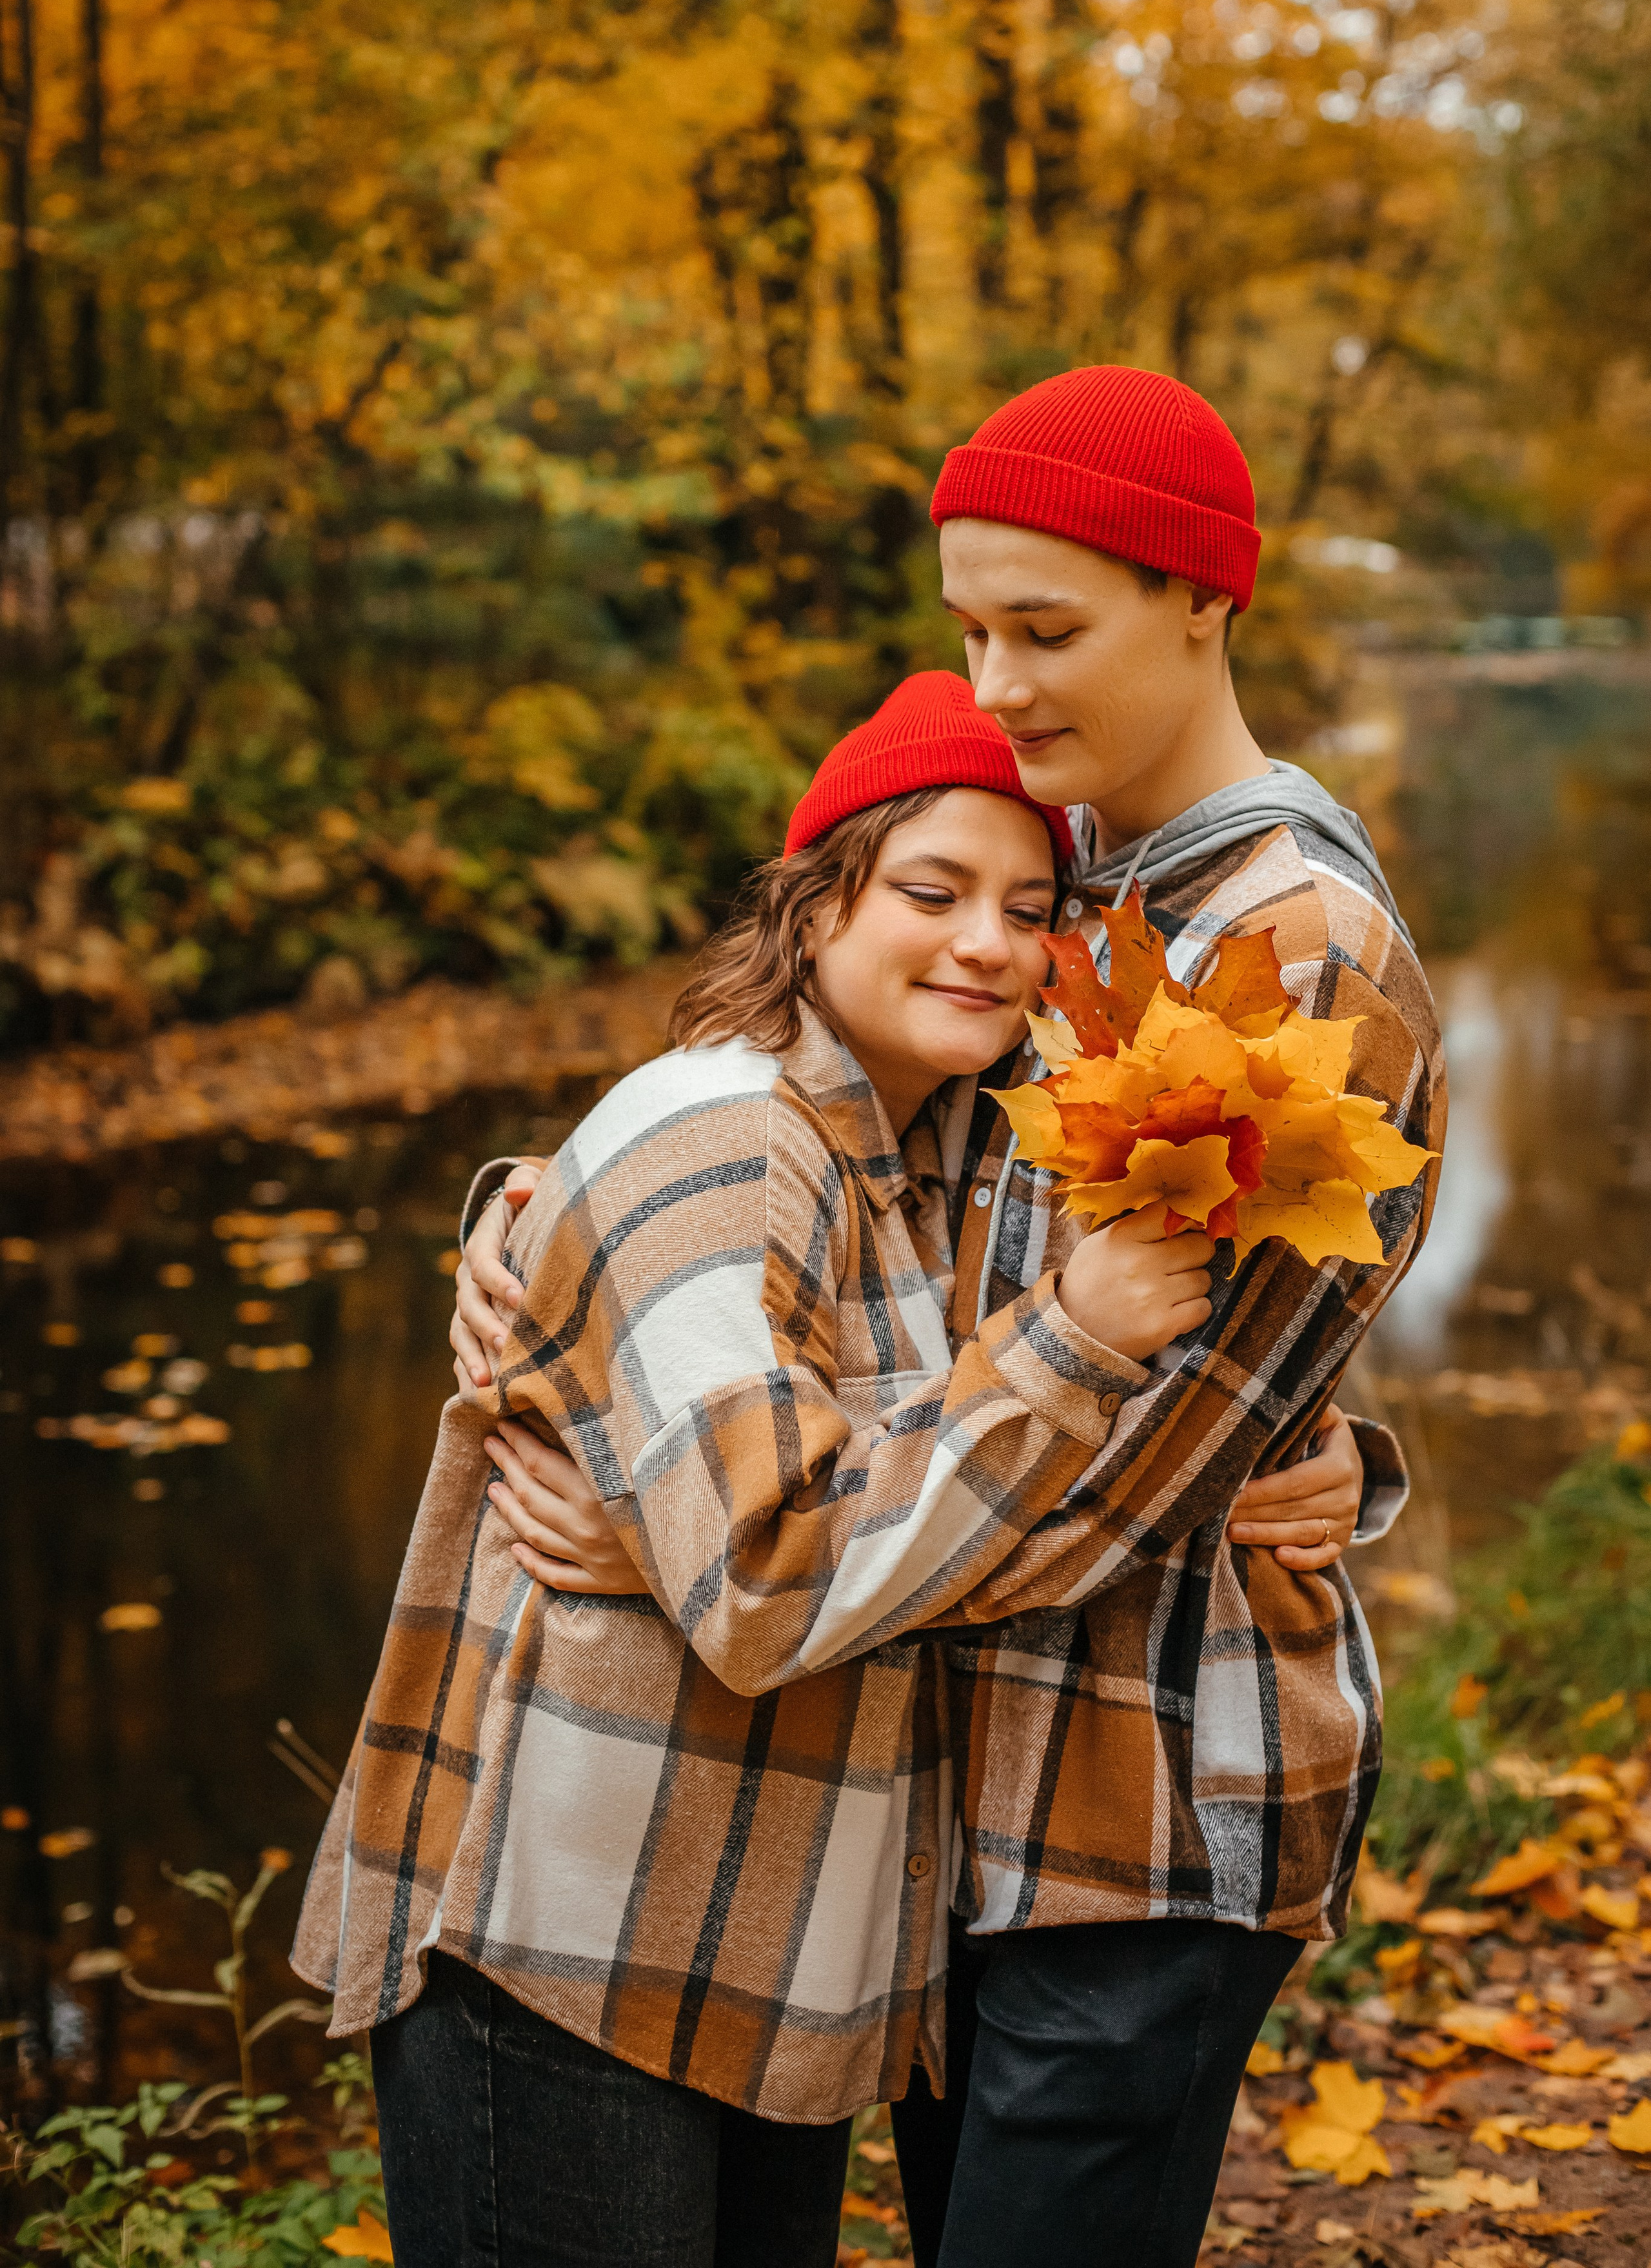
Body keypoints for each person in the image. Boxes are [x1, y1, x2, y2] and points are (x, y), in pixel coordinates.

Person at [464, 367, 1443, 2268]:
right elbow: (821, 1143)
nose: (993, 685)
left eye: (1047, 629)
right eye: (971, 628)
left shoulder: (1291, 949)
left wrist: (707, 1549)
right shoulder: (1072, 878)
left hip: (1134, 1819)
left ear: (1204, 603)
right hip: (952, 1801)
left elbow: (1118, 1474)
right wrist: (536, 1227)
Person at [294, 673, 1376, 2268]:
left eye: (1028, 908)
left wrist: (1313, 1457)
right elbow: (760, 1576)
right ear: (812, 910)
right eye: (930, 892)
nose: (989, 944)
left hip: (763, 1973)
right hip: (567, 1955)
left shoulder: (926, 1148)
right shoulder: (724, 1142)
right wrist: (1066, 1342)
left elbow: (979, 1449)